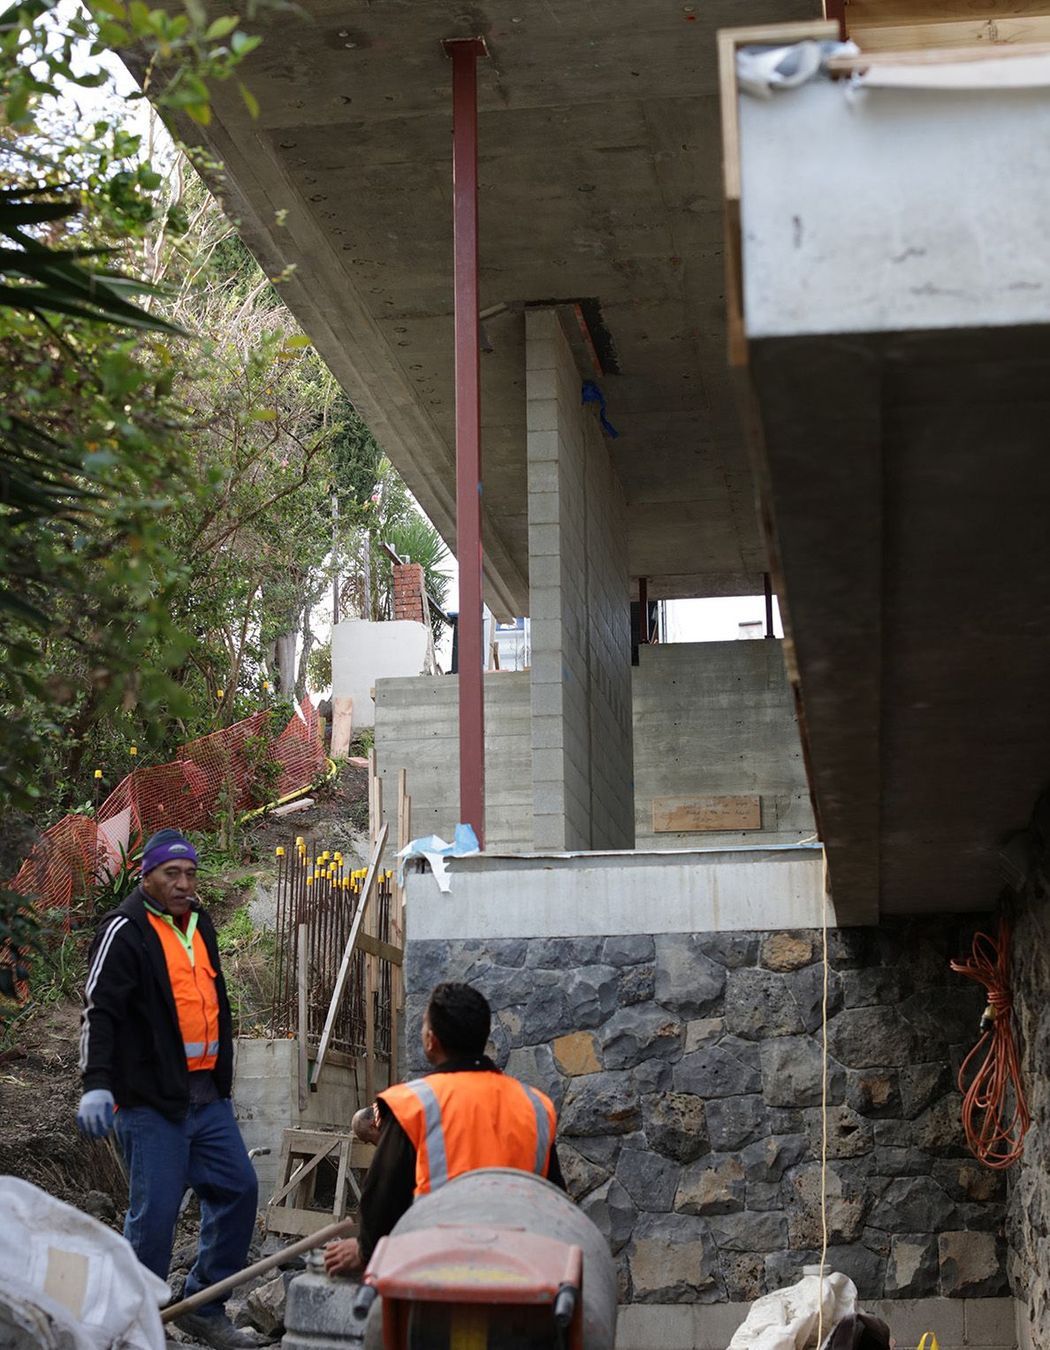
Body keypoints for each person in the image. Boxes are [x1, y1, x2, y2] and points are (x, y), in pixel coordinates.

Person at [77, 828, 260, 1350]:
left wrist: (223, 1079)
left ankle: (203, 1306)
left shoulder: (200, 925)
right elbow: (100, 1011)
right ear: (146, 876)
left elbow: (211, 1002)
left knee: (238, 1190)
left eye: (190, 874)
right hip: (150, 1103)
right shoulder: (125, 928)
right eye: (171, 874)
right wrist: (96, 1084)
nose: (183, 884)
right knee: (154, 1221)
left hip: (206, 1099)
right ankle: (133, 1327)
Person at [325, 980, 564, 1278]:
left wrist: (364, 1250)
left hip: (436, 1272)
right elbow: (556, 1201)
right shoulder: (536, 1106)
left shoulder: (412, 1103)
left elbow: (383, 1197)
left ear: (430, 1040)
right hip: (521, 1272)